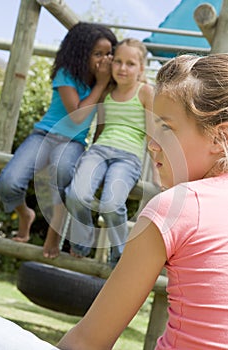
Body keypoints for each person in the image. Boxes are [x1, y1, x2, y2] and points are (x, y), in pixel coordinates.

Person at [55, 53, 228, 350]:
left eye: (166, 128)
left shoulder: (177, 207)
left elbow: (87, 342)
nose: (151, 143)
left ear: (219, 138)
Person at [0, 22, 117, 258]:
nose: (105, 59)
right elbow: (77, 115)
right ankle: (25, 215)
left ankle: (54, 233)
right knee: (8, 182)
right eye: (98, 54)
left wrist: (96, 150)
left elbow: (100, 122)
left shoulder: (107, 86)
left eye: (109, 53)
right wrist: (100, 84)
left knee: (63, 173)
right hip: (44, 136)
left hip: (73, 144)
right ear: (82, 53)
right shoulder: (67, 74)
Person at [65, 38, 154, 266]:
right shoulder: (106, 93)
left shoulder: (145, 92)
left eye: (131, 64)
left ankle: (120, 256)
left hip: (128, 158)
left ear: (141, 68)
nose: (123, 68)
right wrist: (89, 158)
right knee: (75, 194)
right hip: (98, 151)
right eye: (118, 62)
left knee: (111, 204)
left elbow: (155, 135)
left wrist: (159, 173)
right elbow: (99, 130)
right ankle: (82, 243)